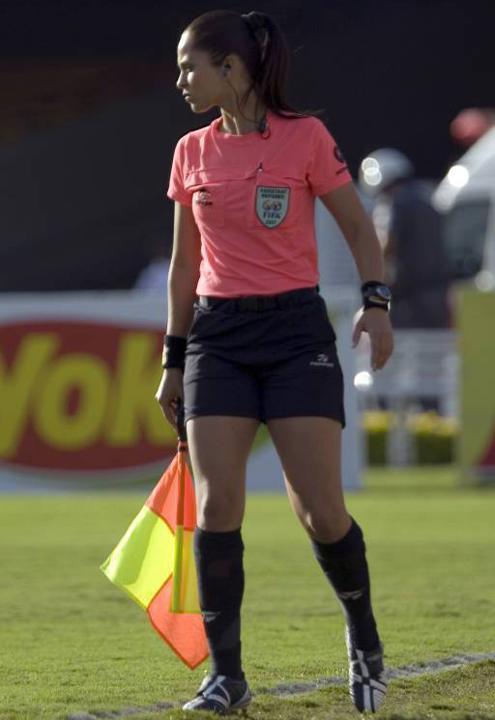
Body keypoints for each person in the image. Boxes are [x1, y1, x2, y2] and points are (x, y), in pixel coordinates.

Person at [156, 9, 393, 715]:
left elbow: (358, 227)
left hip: (295, 335)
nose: (180, 80)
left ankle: (364, 637)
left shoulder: (306, 138)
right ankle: (226, 676)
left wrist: (375, 303)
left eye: (190, 66)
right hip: (218, 338)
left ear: (231, 68)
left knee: (321, 513)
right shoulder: (189, 151)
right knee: (217, 504)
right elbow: (183, 268)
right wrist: (173, 359)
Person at [359, 148, 450, 329]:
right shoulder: (427, 200)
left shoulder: (393, 203)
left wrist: (375, 295)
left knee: (404, 344)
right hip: (438, 295)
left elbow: (386, 246)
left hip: (407, 298)